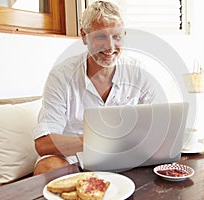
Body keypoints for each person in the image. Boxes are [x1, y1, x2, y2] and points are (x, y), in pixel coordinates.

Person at [33, 0, 157, 175]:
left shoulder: (139, 72)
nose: (110, 47)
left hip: (124, 155)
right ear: (84, 36)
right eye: (101, 36)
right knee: (47, 168)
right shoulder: (61, 76)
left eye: (116, 36)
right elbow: (43, 144)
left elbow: (158, 126)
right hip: (73, 157)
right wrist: (100, 141)